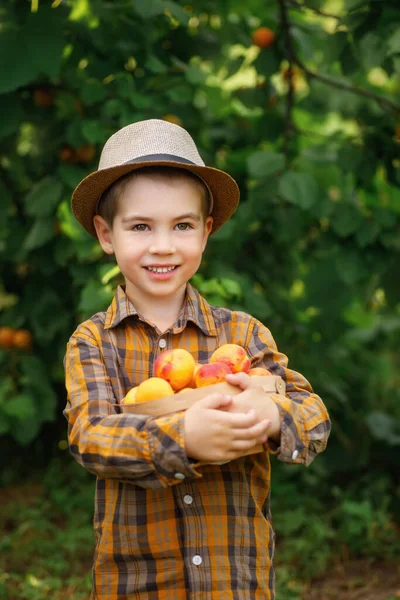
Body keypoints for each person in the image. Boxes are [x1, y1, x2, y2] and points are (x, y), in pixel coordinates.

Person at [64, 118, 331, 600]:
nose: (163, 245)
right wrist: (183, 438)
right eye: (141, 226)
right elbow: (91, 437)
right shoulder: (94, 342)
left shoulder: (242, 336)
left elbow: (314, 419)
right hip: (138, 584)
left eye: (182, 225)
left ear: (205, 233)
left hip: (235, 584)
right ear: (107, 234)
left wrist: (272, 416)